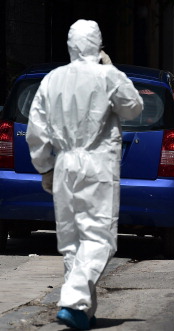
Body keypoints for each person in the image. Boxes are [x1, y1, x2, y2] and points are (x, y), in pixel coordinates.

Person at [26, 19, 144, 329]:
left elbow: (35, 132)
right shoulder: (107, 75)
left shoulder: (52, 79)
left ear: (70, 45)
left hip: (64, 163)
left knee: (72, 241)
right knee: (99, 238)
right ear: (98, 44)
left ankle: (83, 312)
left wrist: (45, 167)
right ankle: (74, 301)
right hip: (97, 164)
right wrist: (112, 69)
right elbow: (133, 107)